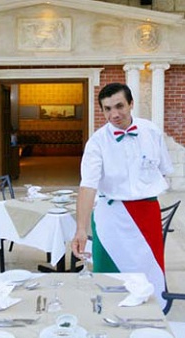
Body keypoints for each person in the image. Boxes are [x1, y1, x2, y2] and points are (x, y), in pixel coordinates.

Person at [71, 83, 173, 305]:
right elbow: (88, 186)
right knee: (109, 271)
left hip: (146, 213)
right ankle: (109, 311)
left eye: (119, 106)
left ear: (131, 104)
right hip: (111, 216)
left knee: (148, 268)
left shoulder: (152, 132)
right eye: (107, 109)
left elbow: (163, 169)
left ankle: (151, 312)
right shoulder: (97, 142)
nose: (114, 114)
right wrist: (81, 229)